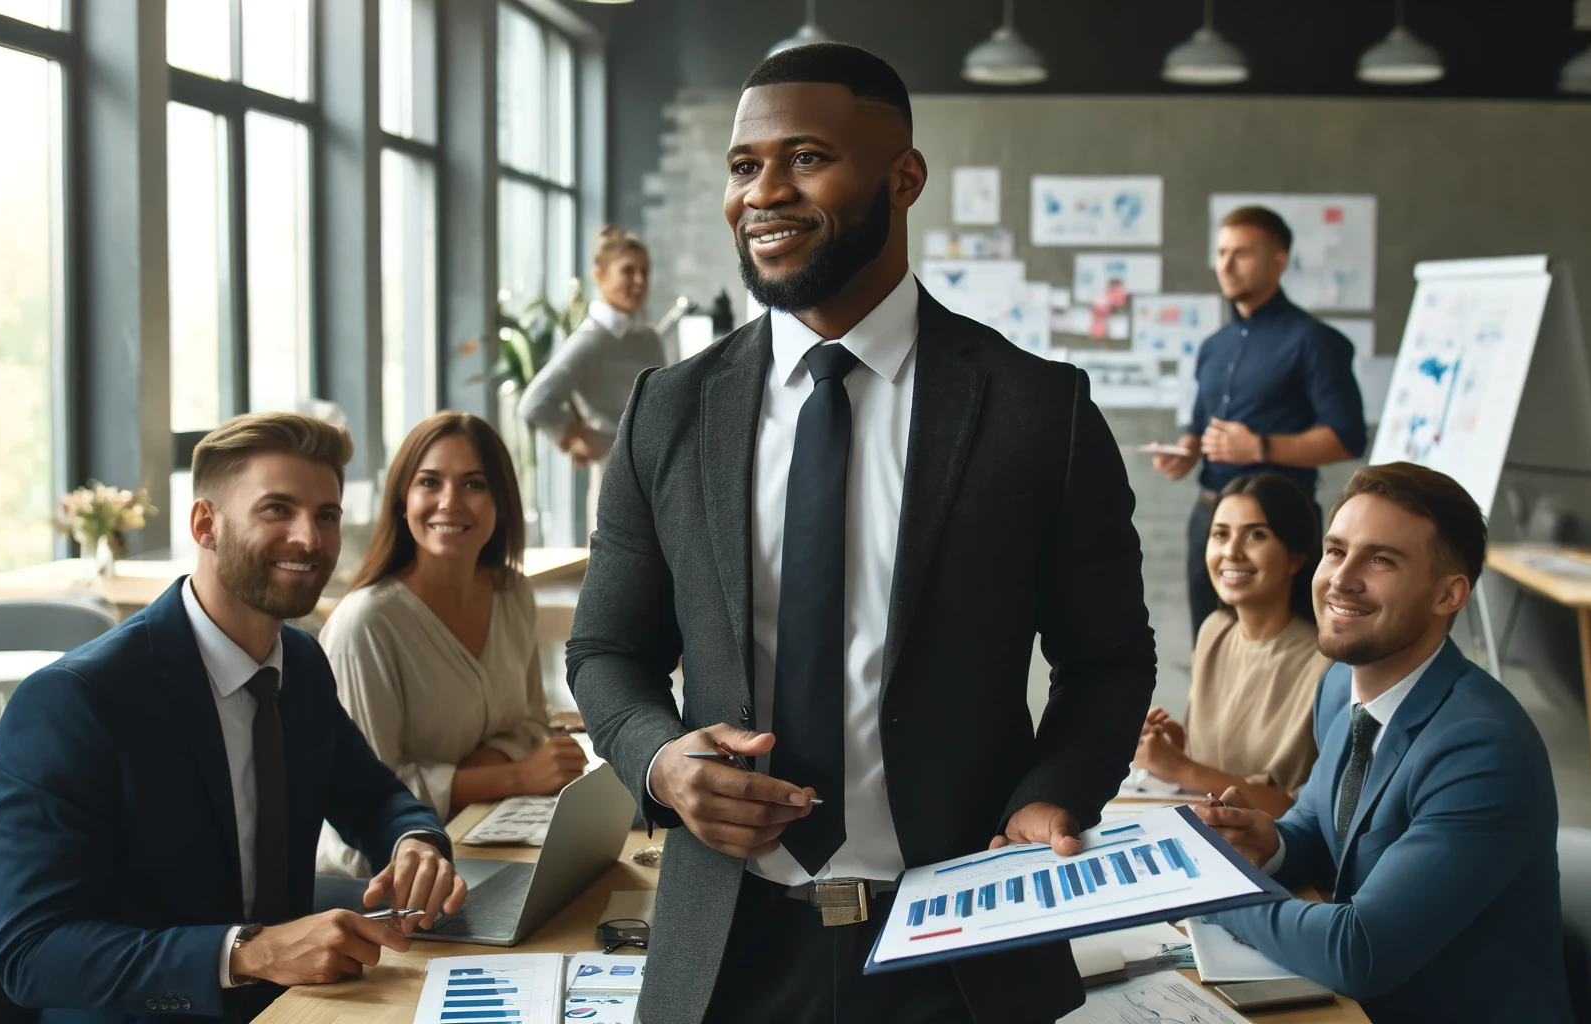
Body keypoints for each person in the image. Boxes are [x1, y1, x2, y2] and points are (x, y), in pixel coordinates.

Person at [565, 43, 1154, 1024]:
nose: (764, 192)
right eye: (744, 165)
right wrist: (662, 763)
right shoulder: (667, 410)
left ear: (903, 177)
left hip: (964, 948)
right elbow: (605, 650)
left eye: (806, 157)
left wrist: (1054, 795)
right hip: (727, 957)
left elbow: (1107, 658)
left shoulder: (1037, 411)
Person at [0, 412, 468, 1024]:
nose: (310, 539)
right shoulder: (75, 701)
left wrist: (414, 843)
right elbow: (33, 954)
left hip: (297, 1004)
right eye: (277, 510)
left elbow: (373, 797)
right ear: (205, 525)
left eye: (326, 516)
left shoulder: (300, 662)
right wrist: (249, 952)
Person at [1193, 463, 1574, 1024]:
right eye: (1335, 551)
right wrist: (1271, 843)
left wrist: (1214, 893)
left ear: (1449, 594)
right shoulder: (1338, 686)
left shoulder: (1481, 749)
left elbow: (1357, 951)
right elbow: (1322, 826)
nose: (1341, 579)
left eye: (1380, 560)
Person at [316, 411, 588, 875]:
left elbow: (529, 724)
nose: (450, 502)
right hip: (380, 875)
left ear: (501, 501)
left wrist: (473, 771)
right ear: (402, 500)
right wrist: (513, 775)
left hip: (482, 837)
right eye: (429, 482)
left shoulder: (512, 594)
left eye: (473, 484)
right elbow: (371, 795)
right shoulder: (366, 623)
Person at [1152, 205, 1366, 641]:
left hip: (1278, 525)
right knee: (1208, 640)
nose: (1226, 265)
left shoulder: (1315, 341)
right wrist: (1185, 451)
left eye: (1242, 253)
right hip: (1210, 518)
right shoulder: (1213, 346)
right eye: (1221, 253)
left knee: (1286, 650)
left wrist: (1261, 448)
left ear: (1279, 261)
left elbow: (1348, 438)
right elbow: (1199, 427)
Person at [1131, 472, 1330, 815]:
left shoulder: (1327, 664)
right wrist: (1177, 750)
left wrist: (1181, 768)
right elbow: (1216, 772)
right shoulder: (1214, 631)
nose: (1231, 552)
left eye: (1256, 535)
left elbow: (1301, 811)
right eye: (1220, 534)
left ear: (1296, 557)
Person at [518, 225, 664, 528]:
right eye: (628, 271)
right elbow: (534, 403)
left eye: (644, 272)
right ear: (599, 276)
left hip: (659, 479)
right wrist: (577, 437)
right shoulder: (591, 340)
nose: (639, 281)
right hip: (615, 484)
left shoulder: (648, 337)